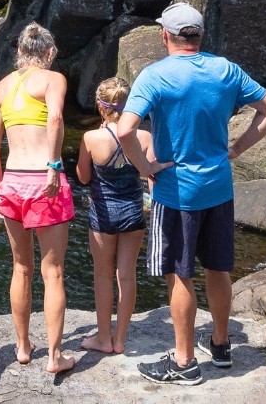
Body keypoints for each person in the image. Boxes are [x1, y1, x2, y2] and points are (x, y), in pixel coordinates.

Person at [115, 3, 266, 385]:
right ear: (200, 36)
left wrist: (144, 169)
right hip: (219, 188)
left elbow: (125, 131)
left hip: (177, 193)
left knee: (179, 274)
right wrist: (236, 150)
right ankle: (221, 345)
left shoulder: (155, 76)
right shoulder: (226, 69)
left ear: (165, 35)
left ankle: (184, 362)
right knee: (218, 268)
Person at [0, 22, 79, 374]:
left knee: (20, 268)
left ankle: (23, 346)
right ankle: (55, 357)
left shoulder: (2, 87)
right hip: (44, 181)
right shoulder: (53, 80)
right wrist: (54, 166)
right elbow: (54, 116)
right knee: (52, 272)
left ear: (19, 53)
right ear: (50, 53)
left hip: (11, 181)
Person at [75, 77, 152, 356]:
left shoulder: (91, 138)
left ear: (100, 106)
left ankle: (103, 338)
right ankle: (120, 340)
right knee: (127, 276)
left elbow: (83, 177)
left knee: (102, 276)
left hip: (103, 215)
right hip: (133, 212)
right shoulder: (144, 137)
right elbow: (150, 174)